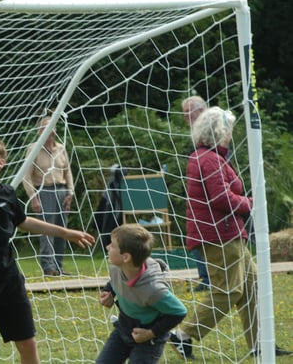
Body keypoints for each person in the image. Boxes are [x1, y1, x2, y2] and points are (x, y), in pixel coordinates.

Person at [0, 120, 95, 364]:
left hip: (8, 278)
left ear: (1, 163)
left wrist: (67, 233)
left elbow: (24, 221)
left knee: (27, 341)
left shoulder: (7, 194)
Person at [169, 107, 291, 359]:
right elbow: (221, 197)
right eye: (230, 130)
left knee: (252, 286)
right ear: (220, 131)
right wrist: (251, 204)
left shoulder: (213, 157)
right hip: (218, 237)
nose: (232, 135)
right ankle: (184, 334)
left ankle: (261, 343)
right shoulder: (209, 159)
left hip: (229, 234)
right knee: (229, 291)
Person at [97, 224, 187, 364]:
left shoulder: (153, 290)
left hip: (149, 340)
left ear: (126, 257)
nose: (108, 247)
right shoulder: (115, 268)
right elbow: (116, 281)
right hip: (123, 329)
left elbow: (179, 312)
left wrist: (150, 333)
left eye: (113, 246)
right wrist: (108, 292)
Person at [23, 116, 75, 276]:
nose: (49, 131)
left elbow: (68, 172)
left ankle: (59, 266)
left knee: (62, 229)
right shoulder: (33, 149)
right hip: (43, 191)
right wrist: (33, 197)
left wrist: (70, 192)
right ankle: (49, 267)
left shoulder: (61, 148)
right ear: (40, 131)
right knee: (47, 229)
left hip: (62, 191)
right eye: (46, 127)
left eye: (52, 127)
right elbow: (26, 176)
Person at [181, 96, 210, 291]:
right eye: (183, 113)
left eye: (188, 112)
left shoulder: (212, 129)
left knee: (205, 232)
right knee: (196, 231)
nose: (185, 117)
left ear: (200, 110)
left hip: (210, 192)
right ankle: (205, 276)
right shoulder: (196, 133)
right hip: (199, 192)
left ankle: (210, 277)